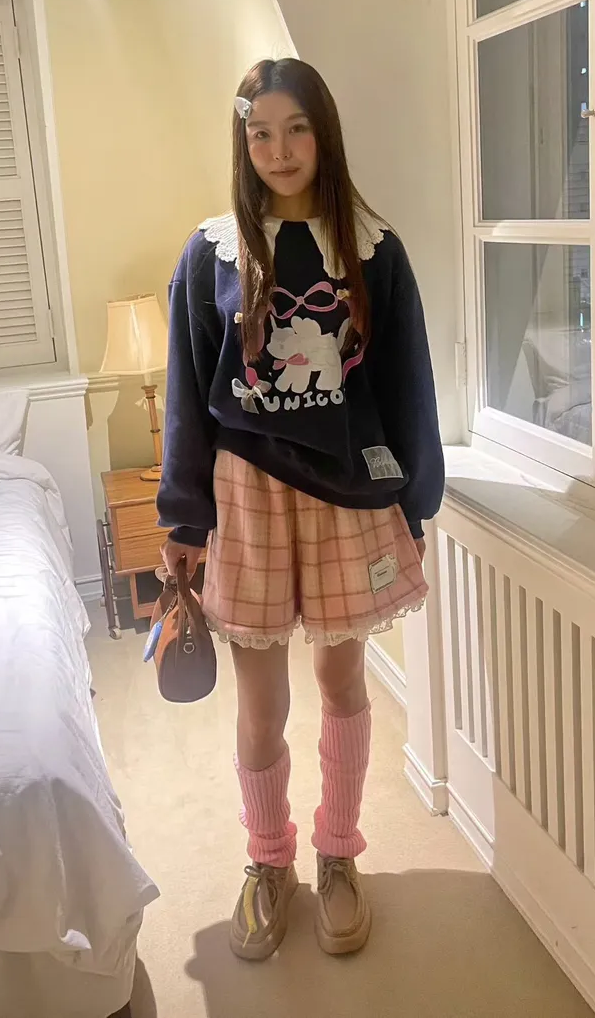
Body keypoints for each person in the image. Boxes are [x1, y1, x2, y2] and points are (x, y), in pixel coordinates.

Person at [157, 58, 444, 961]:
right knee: (260, 703)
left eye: (296, 129)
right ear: (242, 142)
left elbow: (406, 382)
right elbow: (186, 392)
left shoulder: (373, 248)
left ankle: (339, 851)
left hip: (347, 494)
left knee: (341, 682)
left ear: (324, 133)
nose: (279, 151)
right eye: (260, 134)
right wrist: (183, 516)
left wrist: (416, 498)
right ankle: (268, 857)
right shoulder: (211, 253)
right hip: (246, 495)